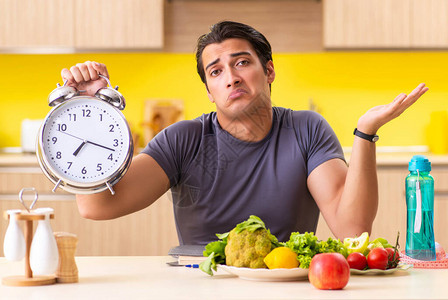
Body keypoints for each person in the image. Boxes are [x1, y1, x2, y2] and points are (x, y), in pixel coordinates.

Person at [61, 21, 428, 245]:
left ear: (268, 71)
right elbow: (96, 206)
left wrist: (365, 134)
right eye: (216, 71)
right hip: (201, 287)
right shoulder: (182, 140)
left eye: (241, 62)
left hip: (290, 287)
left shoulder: (306, 130)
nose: (231, 76)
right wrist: (90, 111)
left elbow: (351, 228)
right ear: (208, 90)